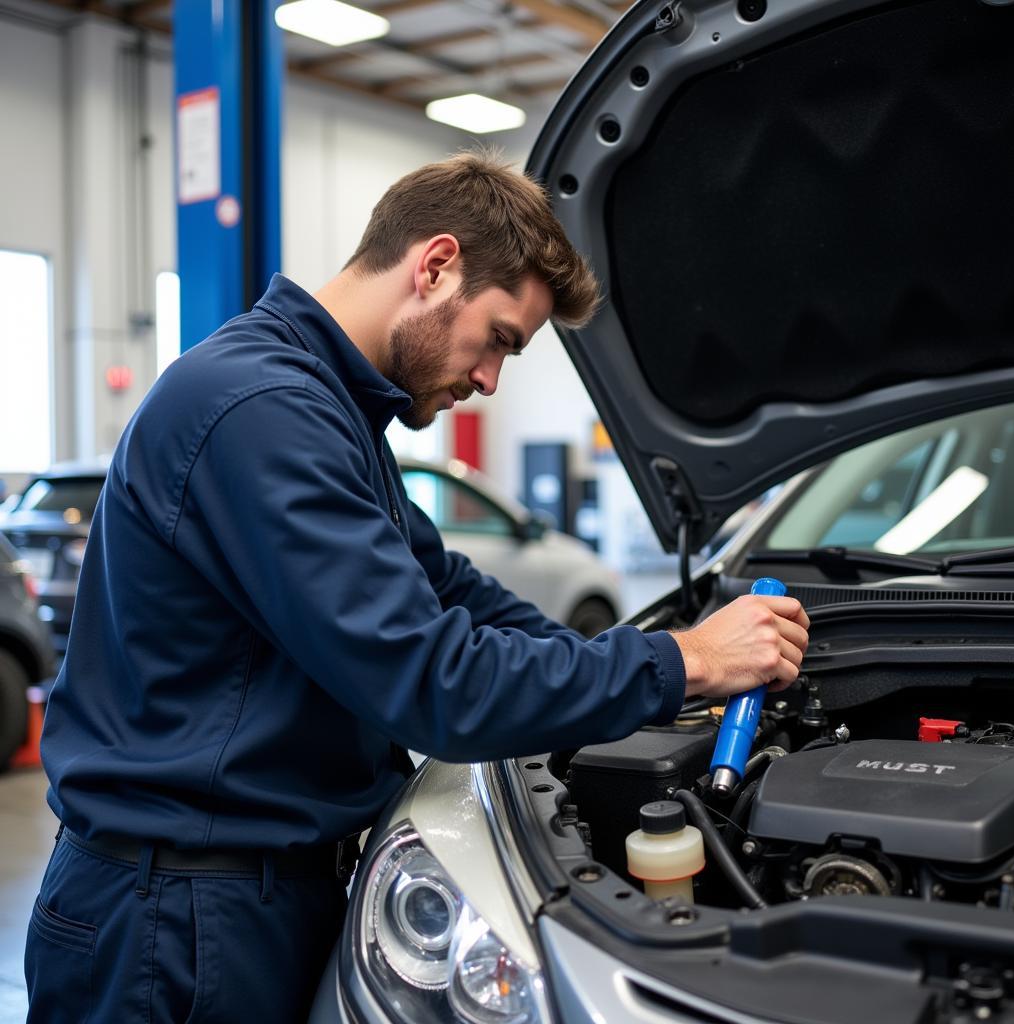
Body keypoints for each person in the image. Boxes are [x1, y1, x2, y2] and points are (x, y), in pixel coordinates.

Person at [26, 151, 809, 1023]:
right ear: (435, 266)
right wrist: (682, 663)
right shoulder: (258, 409)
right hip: (175, 924)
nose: (488, 381)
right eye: (501, 339)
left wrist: (626, 664)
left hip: (243, 893)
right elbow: (435, 684)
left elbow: (453, 593)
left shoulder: (328, 410)